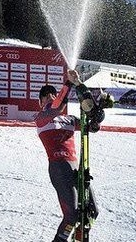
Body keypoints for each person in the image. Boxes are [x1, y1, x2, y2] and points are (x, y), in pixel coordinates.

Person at [35, 70, 101, 242]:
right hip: (59, 167)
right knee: (71, 215)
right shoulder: (42, 118)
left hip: (76, 167)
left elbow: (91, 128)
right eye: (45, 97)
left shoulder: (69, 119)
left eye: (51, 95)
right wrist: (70, 82)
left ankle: (79, 237)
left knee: (92, 211)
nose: (48, 99)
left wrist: (96, 115)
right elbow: (57, 107)